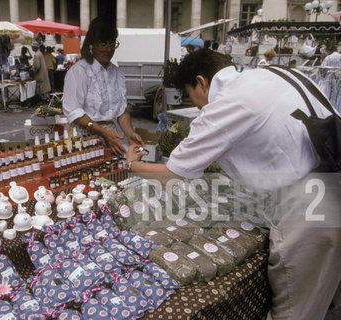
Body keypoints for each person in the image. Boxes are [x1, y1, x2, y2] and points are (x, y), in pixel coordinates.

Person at [126, 48, 341, 320]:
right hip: (333, 180)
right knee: (330, 294)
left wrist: (132, 164)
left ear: (201, 82)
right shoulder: (280, 74)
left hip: (310, 201)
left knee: (297, 308)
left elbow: (171, 174)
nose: (197, 105)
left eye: (190, 95)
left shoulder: (227, 102)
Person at [63, 16, 144, 156]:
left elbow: (121, 110)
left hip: (110, 136)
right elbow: (74, 111)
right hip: (85, 135)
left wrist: (130, 133)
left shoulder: (116, 73)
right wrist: (103, 132)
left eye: (112, 44)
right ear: (91, 44)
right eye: (103, 44)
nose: (108, 50)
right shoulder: (79, 71)